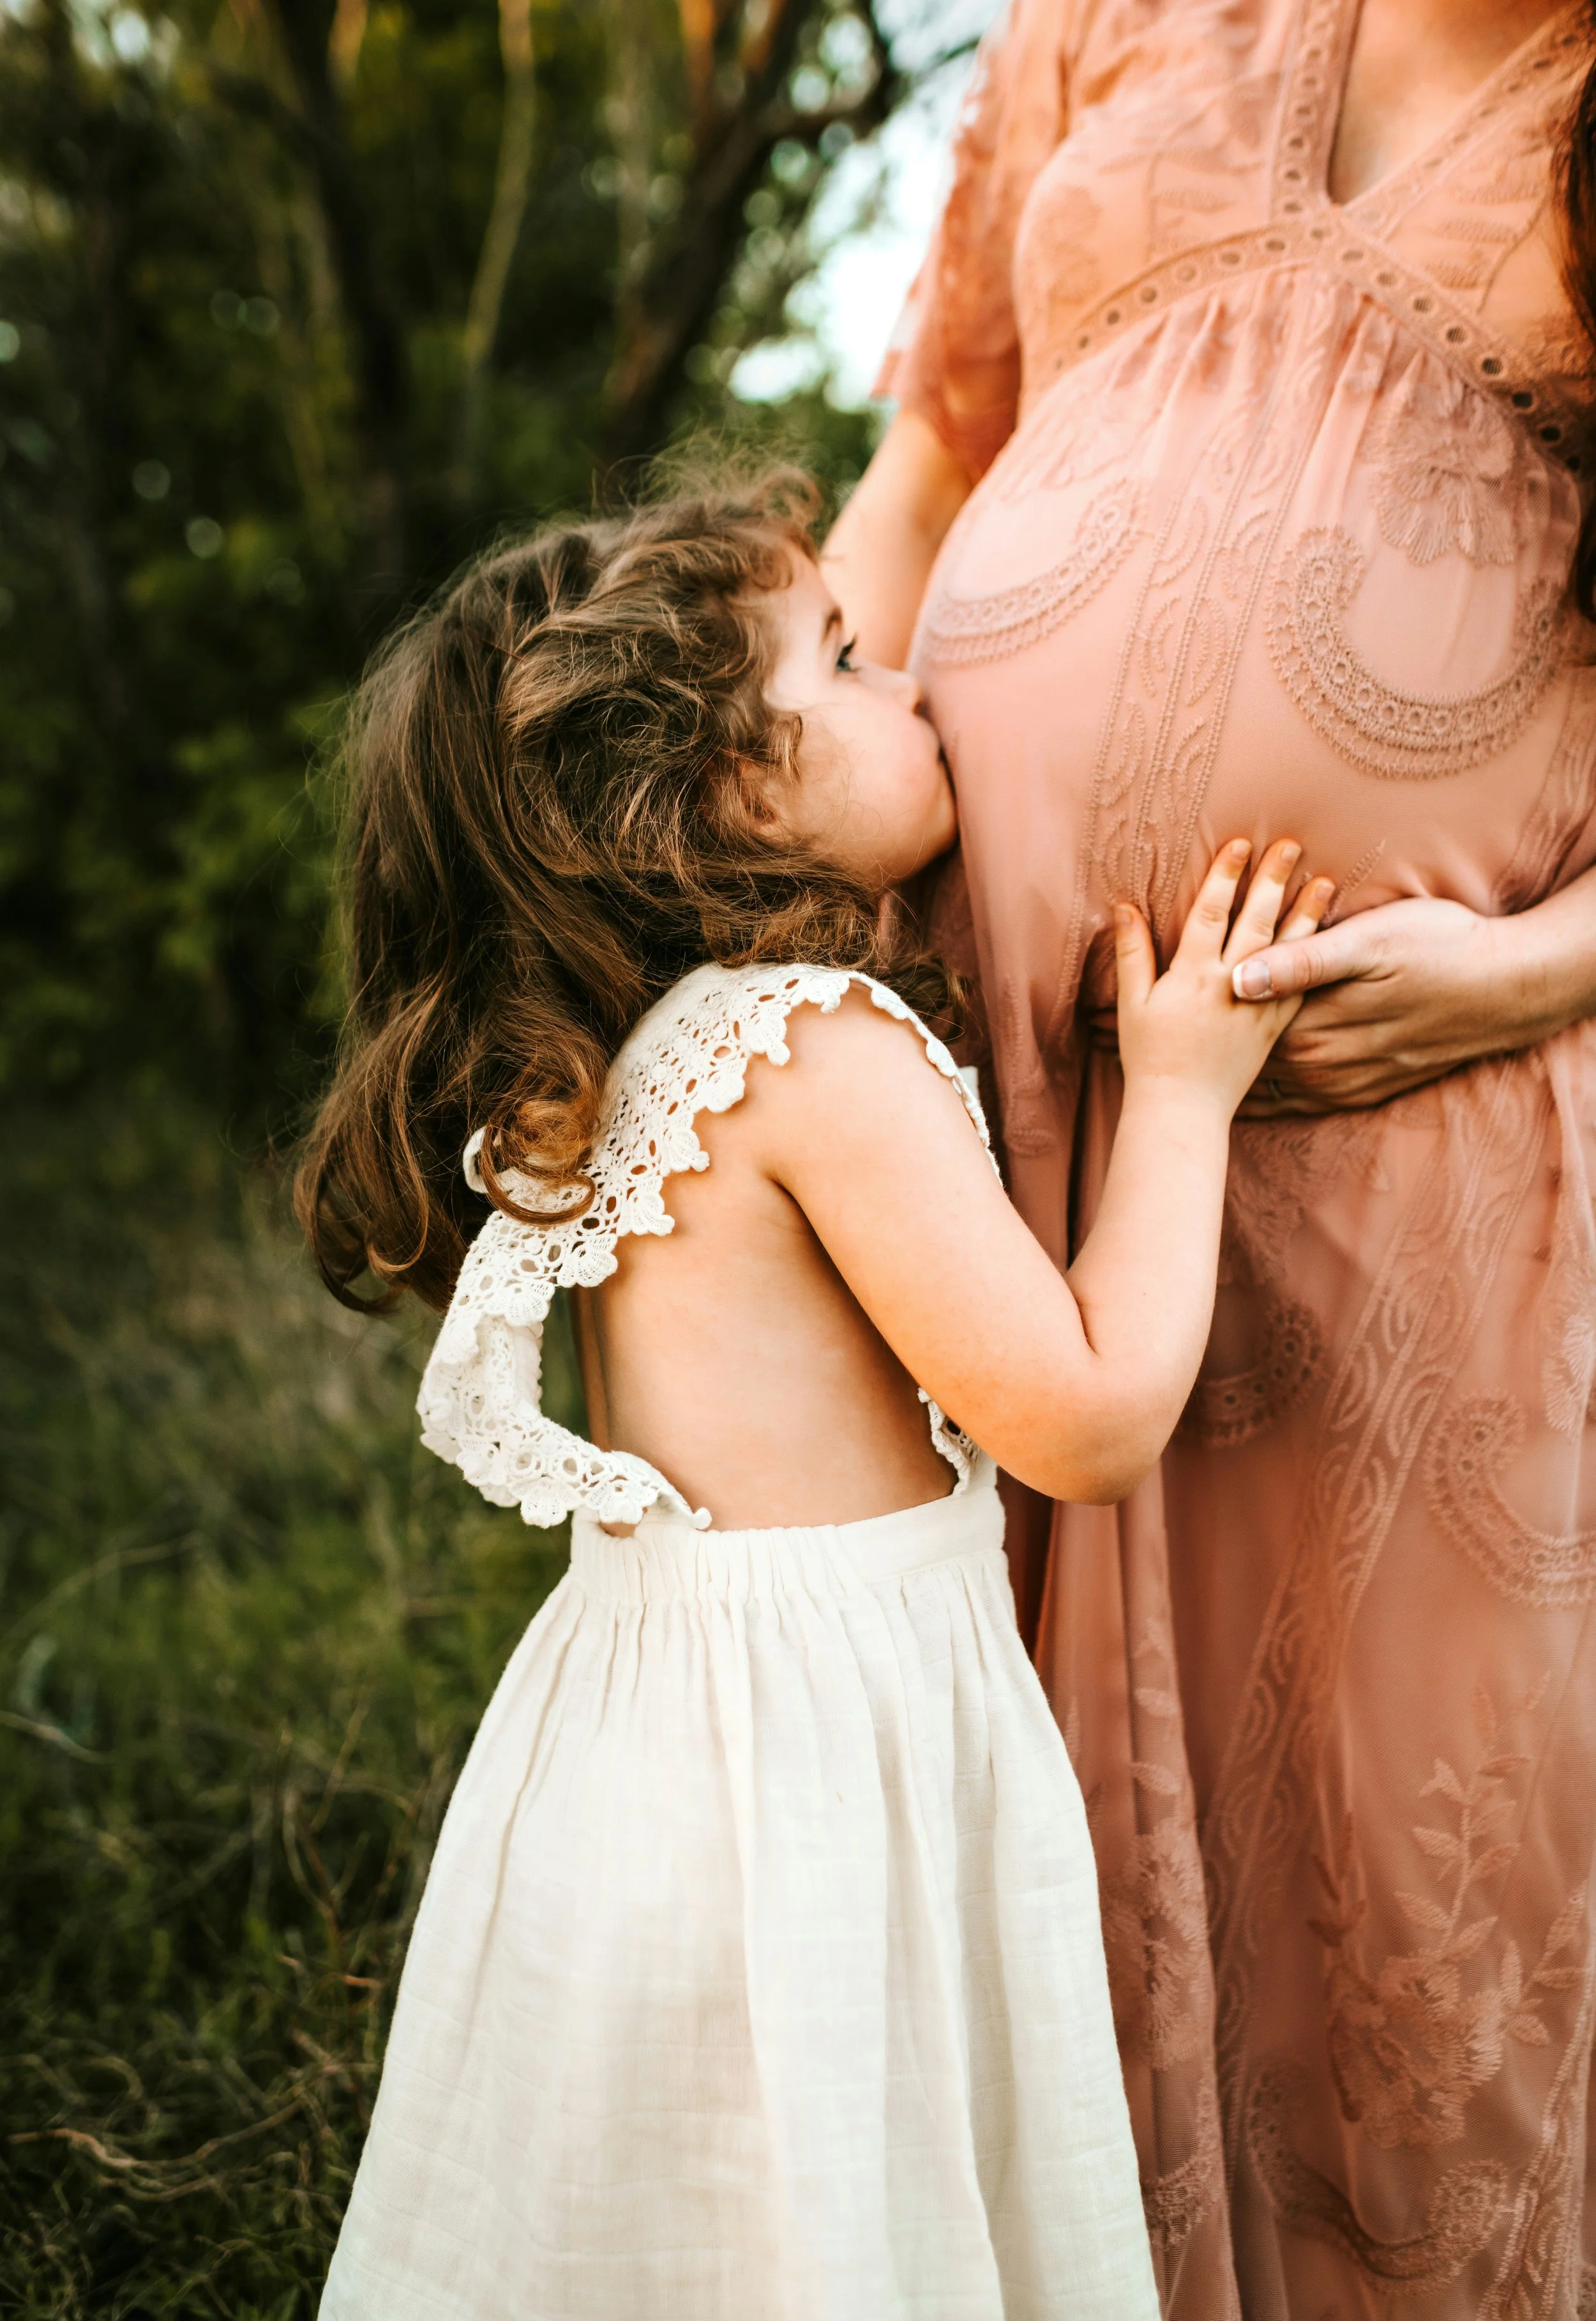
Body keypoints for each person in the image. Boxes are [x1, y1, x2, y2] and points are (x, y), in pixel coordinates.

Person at [296, 473, 1323, 2320]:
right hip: (815, 1755)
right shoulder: (811, 1050)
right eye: (842, 660)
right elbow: (1084, 1419)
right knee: (844, 2194)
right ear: (729, 788)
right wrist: (1182, 1094)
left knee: (690, 2217)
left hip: (648, 1735)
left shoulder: (623, 1057)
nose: (911, 682)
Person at [820, 1, 1596, 2315]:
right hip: (988, 1137)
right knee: (978, 1863)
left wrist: (1533, 970)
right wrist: (733, 886)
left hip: (1425, 1160)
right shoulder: (1101, 21)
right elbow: (923, 473)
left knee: (1399, 1935)